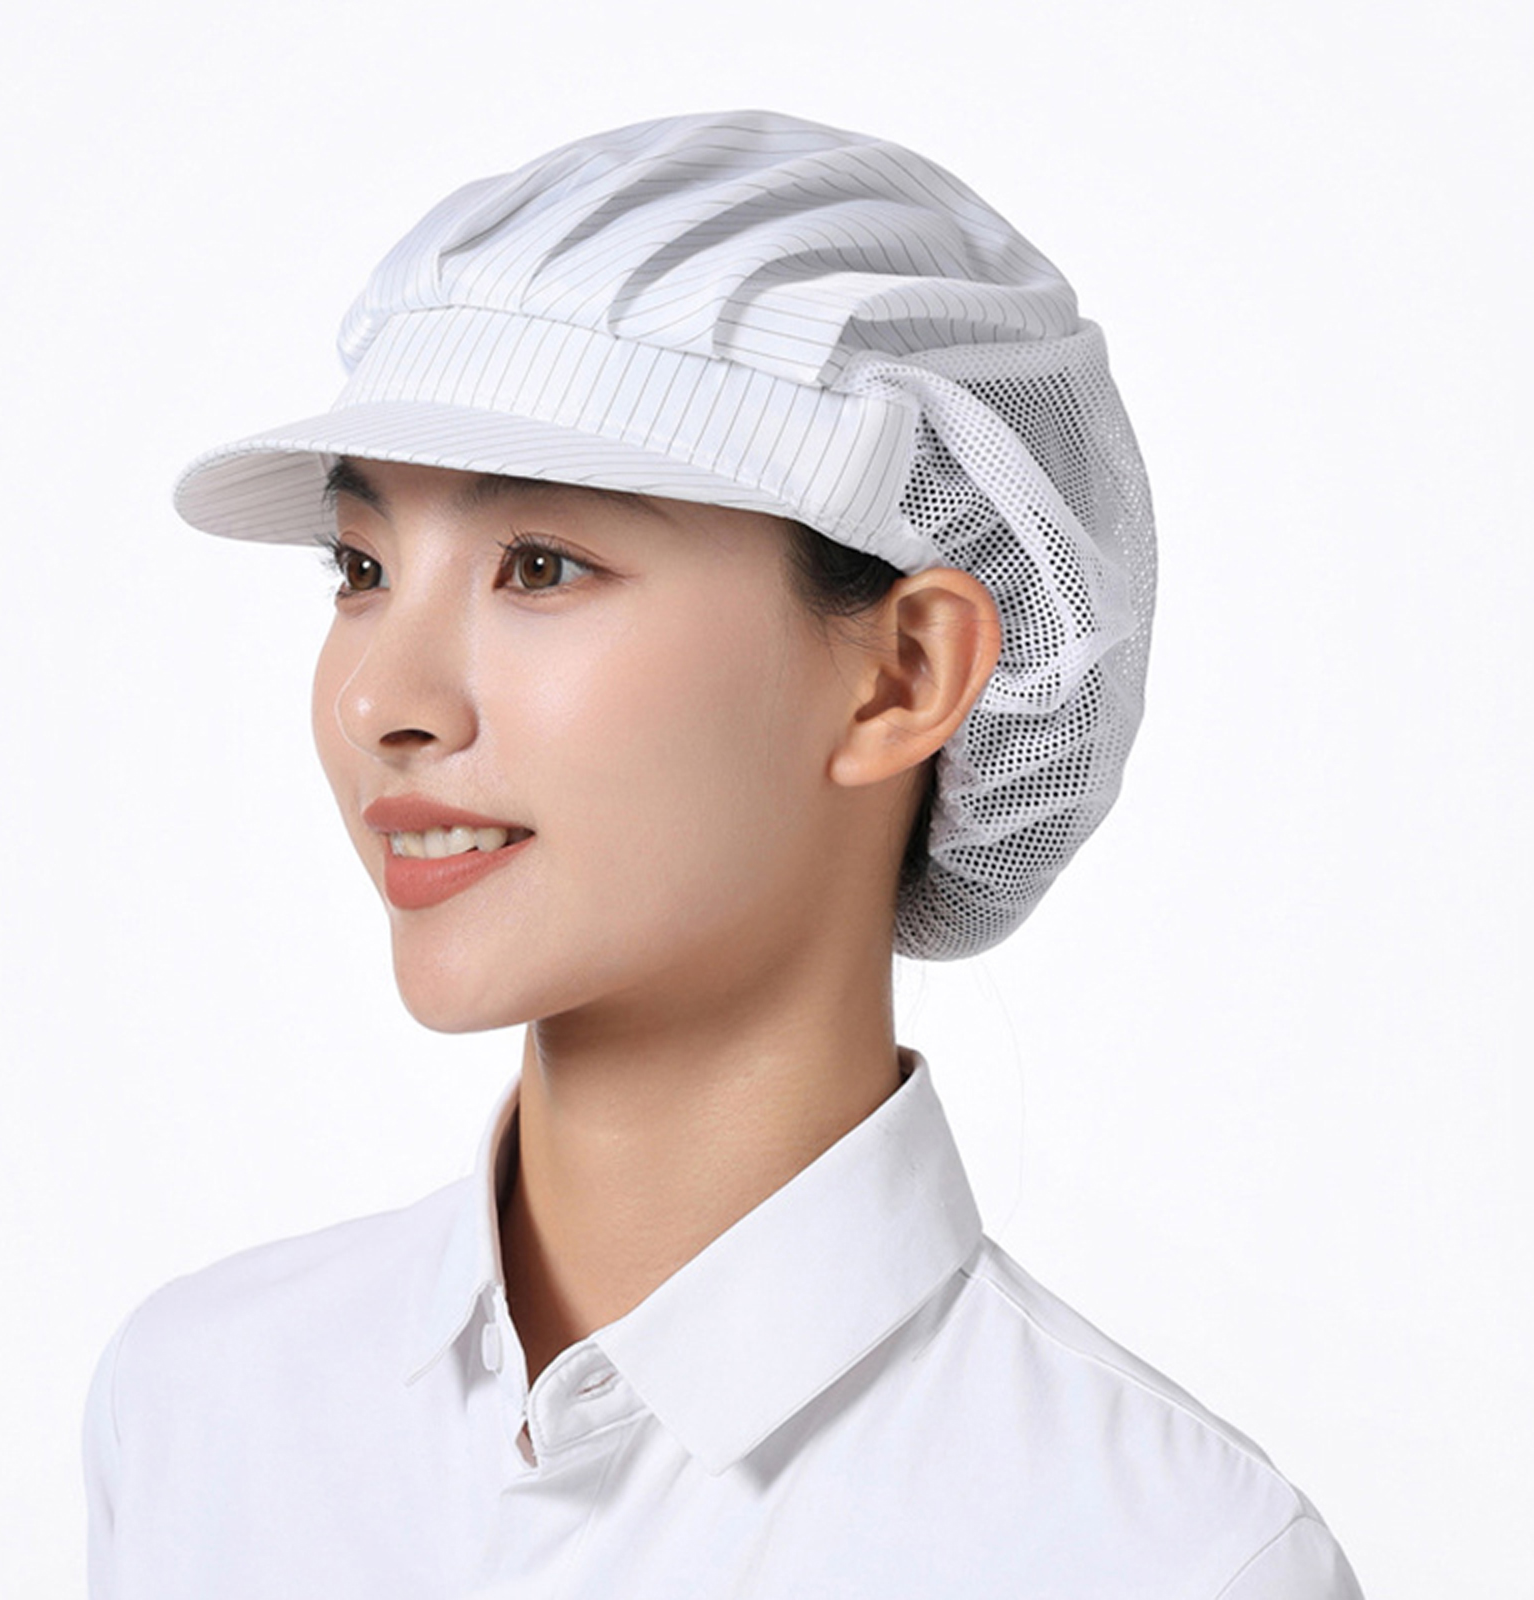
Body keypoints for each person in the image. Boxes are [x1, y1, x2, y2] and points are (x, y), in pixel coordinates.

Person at [83, 110, 1365, 1596]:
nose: (380, 699)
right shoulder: (200, 1407)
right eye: (362, 569)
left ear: (903, 676)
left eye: (540, 566)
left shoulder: (1164, 1559)